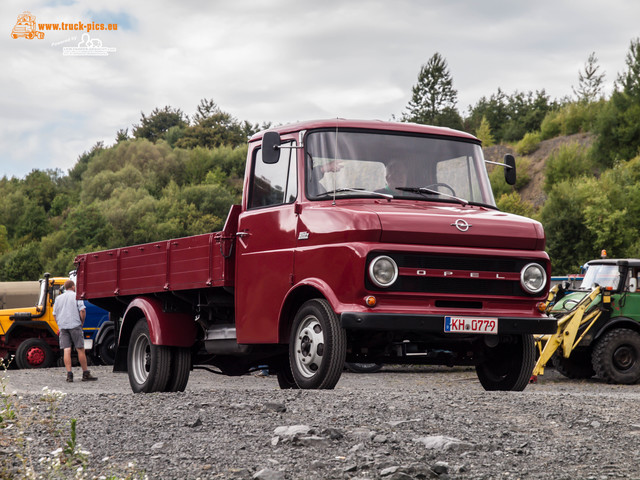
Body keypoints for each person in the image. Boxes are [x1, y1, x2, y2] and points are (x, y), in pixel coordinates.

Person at [52, 280, 97, 382]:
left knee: (66, 350)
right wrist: (82, 322)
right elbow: (82, 310)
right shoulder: (76, 296)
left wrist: (59, 323)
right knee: (80, 349)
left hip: (63, 326)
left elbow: (54, 313)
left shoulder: (58, 298)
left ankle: (69, 374)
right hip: (75, 325)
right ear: (72, 287)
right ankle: (85, 373)